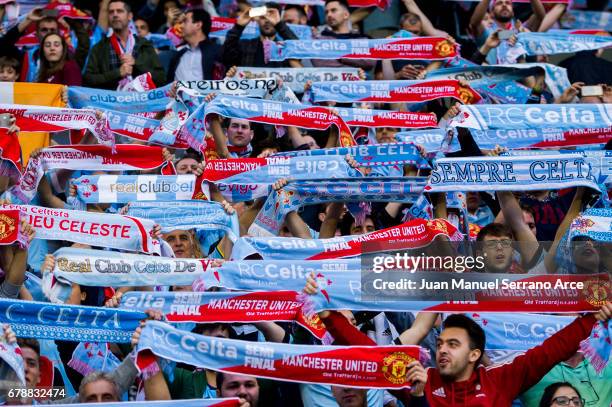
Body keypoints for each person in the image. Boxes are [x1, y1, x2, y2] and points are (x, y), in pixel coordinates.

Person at [84, 0, 165, 89]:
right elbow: (88, 80)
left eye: (119, 11)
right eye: (111, 12)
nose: (115, 15)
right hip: (111, 101)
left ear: (130, 16)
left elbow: (160, 78)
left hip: (142, 100)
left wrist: (136, 64)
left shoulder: (145, 45)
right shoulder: (99, 48)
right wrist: (118, 73)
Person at [222, 3, 301, 68]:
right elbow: (226, 57)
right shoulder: (245, 45)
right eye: (263, 17)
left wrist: (279, 24)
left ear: (279, 19)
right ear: (257, 20)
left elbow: (298, 51)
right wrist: (238, 27)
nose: (267, 21)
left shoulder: (284, 49)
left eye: (271, 17)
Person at [311, 0, 376, 71]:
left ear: (346, 15)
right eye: (326, 12)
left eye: (333, 10)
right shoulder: (319, 39)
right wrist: (351, 57)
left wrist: (337, 55)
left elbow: (370, 62)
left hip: (358, 81)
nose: (329, 15)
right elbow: (320, 63)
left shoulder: (363, 39)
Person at [167, 8, 223, 82]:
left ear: (198, 25)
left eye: (185, 21)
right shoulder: (177, 56)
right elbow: (167, 86)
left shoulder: (218, 52)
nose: (181, 26)